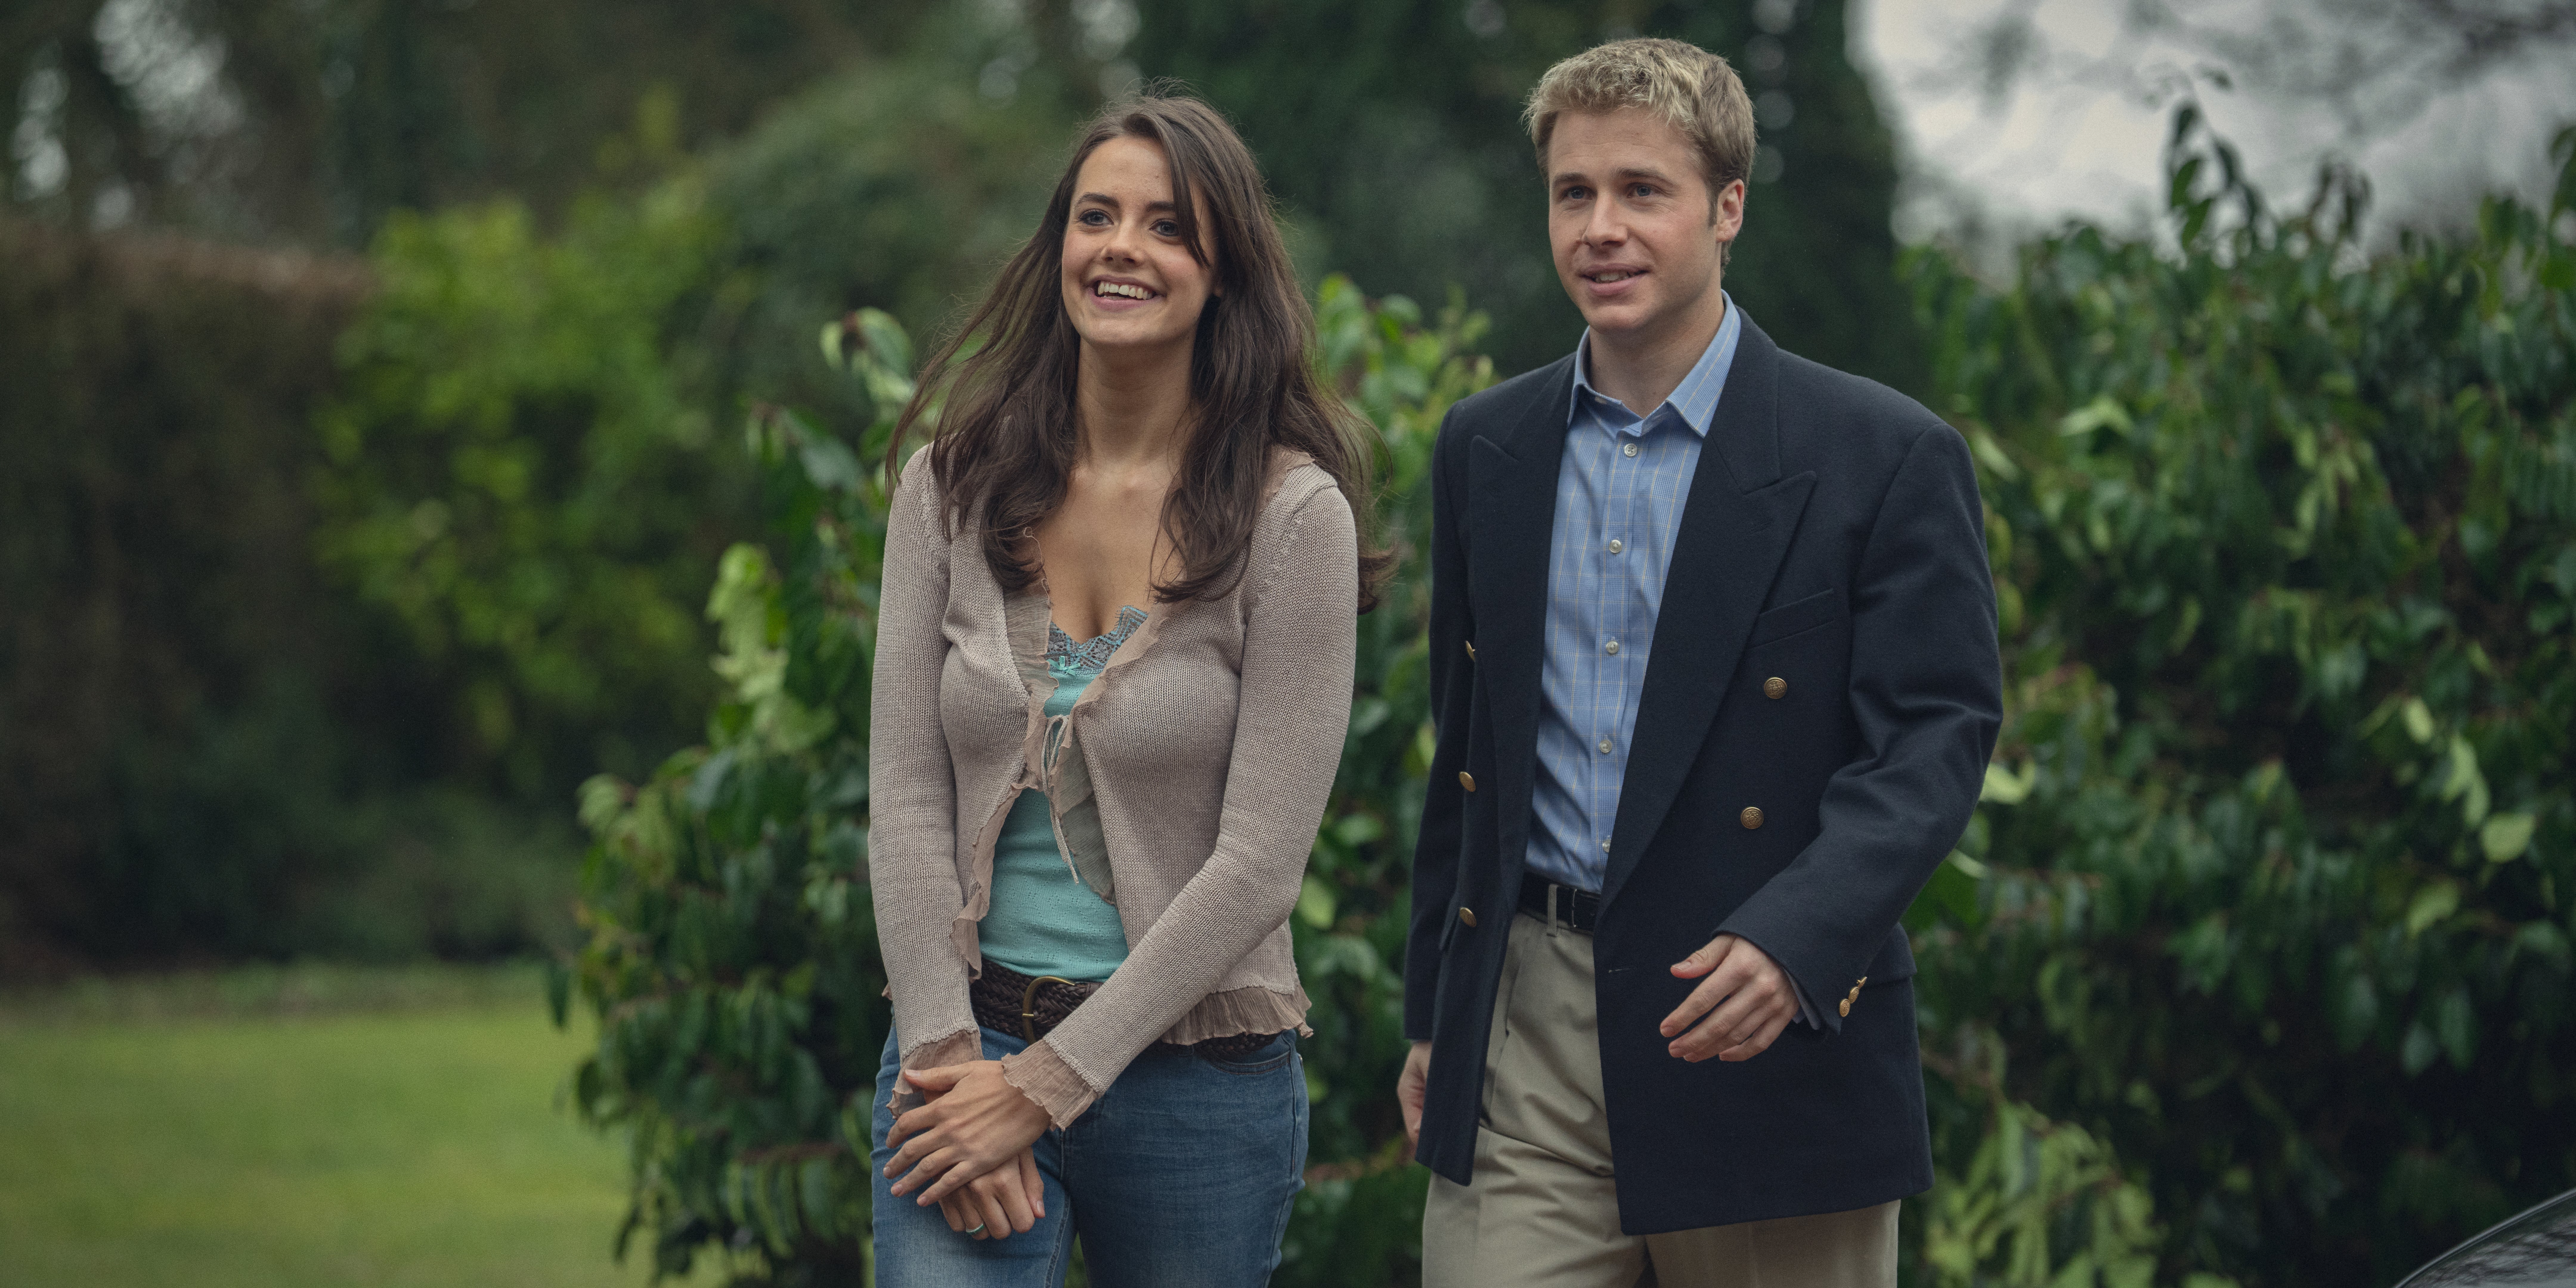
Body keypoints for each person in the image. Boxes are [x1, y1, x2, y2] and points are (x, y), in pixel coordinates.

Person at [1396, 38, 2003, 1288]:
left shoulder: (1883, 454)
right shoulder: (1485, 448)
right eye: (1575, 193)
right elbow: (1468, 758)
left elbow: (1935, 737)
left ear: (1727, 208)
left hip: (1757, 1021)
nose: (1601, 229)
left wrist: (1797, 940)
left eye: (1642, 191)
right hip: (1527, 1029)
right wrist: (1432, 1021)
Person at [865, 94, 1378, 1284]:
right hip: (964, 1049)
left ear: (1222, 270)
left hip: (1197, 1087)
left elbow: (1258, 865)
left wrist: (1042, 1093)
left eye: (1165, 226)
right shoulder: (950, 488)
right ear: (1059, 249)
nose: (1121, 249)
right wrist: (953, 1069)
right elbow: (903, 791)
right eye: (1096, 217)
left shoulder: (1293, 518)